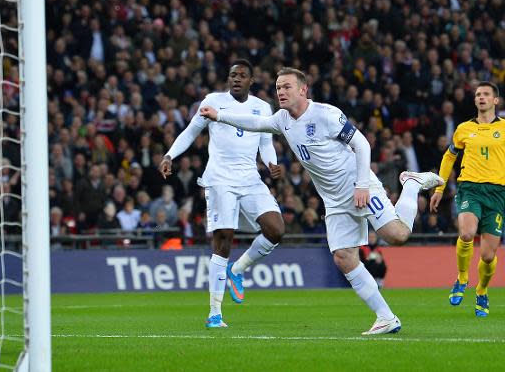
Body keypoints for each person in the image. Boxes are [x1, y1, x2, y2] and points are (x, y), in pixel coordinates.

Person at [200, 67, 443, 335]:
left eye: (287, 87)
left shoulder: (327, 114)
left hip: (358, 186)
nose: (280, 92)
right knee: (344, 257)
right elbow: (255, 124)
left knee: (397, 236)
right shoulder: (282, 119)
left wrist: (362, 185)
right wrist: (219, 116)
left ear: (303, 89)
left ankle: (411, 184)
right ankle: (386, 317)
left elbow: (362, 145)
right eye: (278, 87)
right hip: (334, 200)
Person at [159, 59, 285, 329]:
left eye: (242, 75)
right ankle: (215, 313)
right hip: (220, 179)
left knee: (276, 229)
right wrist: (170, 154)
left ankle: (237, 270)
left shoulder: (262, 107)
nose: (236, 79)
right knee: (224, 239)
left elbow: (265, 142)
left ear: (251, 81)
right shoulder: (213, 101)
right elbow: (191, 131)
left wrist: (271, 163)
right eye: (232, 75)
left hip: (250, 178)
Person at [429, 81, 505, 317]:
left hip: (497, 193)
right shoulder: (463, 129)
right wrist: (439, 188)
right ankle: (462, 277)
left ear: (495, 101)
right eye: (478, 94)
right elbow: (449, 157)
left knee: (488, 255)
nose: (481, 97)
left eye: (486, 94)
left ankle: (481, 291)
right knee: (466, 233)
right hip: (469, 188)